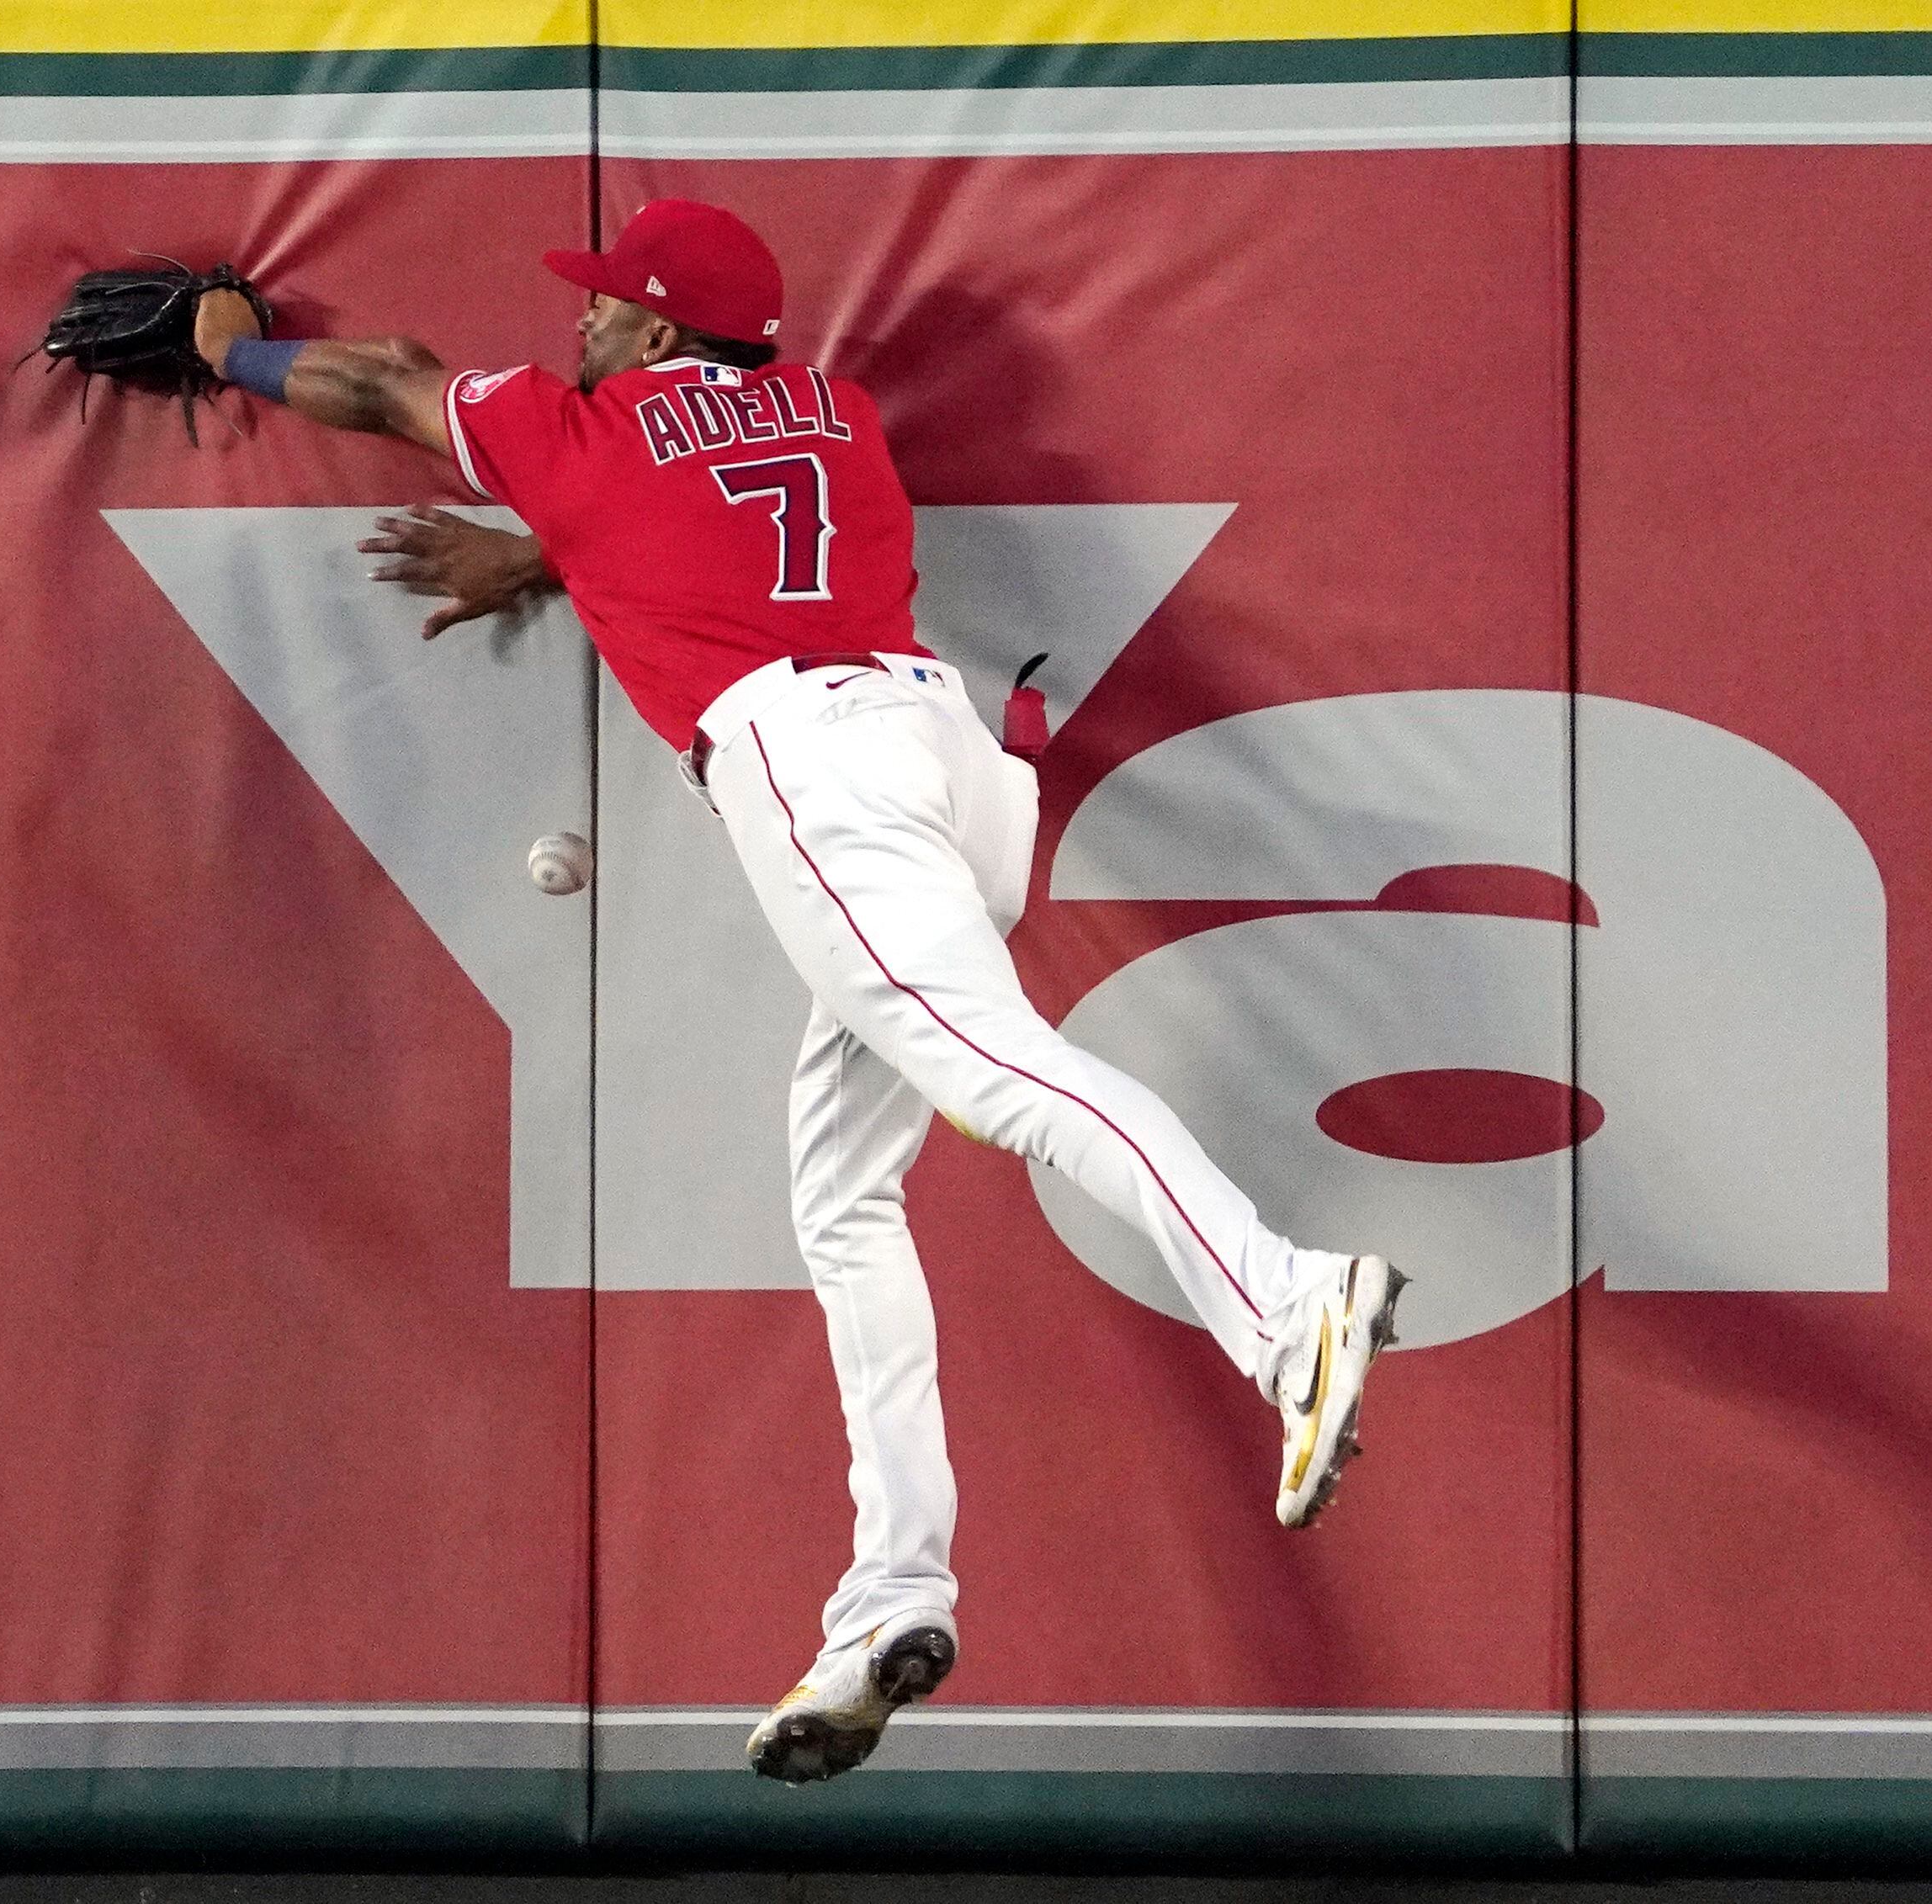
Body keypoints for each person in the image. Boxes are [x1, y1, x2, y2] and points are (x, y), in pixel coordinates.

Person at [188, 199, 1406, 1785]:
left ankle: (1288, 1303)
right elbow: (700, 530)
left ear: (655, 330)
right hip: (943, 755)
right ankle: (893, 1596)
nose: (583, 327)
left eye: (605, 311)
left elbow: (394, 380)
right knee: (843, 1200)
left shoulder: (585, 422)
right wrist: (538, 555)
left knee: (1000, 1077)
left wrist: (235, 350)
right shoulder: (829, 412)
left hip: (819, 776)